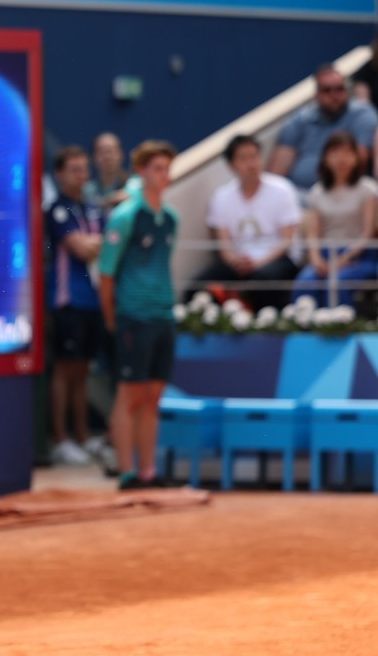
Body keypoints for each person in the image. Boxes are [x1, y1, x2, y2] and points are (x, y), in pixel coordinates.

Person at [98, 141, 180, 492]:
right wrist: (112, 317)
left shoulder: (171, 219)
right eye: (157, 168)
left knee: (153, 397)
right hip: (133, 315)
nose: (164, 175)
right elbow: (106, 272)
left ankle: (148, 471)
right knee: (128, 395)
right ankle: (126, 471)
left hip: (163, 315)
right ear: (142, 172)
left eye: (167, 168)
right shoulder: (125, 216)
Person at [189, 134, 301, 312]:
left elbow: (287, 241)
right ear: (231, 165)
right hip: (238, 261)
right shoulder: (221, 197)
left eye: (254, 156)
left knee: (263, 282)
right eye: (243, 158)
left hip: (276, 258)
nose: (251, 164)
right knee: (195, 289)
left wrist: (258, 263)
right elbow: (224, 245)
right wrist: (235, 260)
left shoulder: (282, 189)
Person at [44, 146, 104, 467]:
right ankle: (60, 439)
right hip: (67, 299)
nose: (81, 175)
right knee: (64, 371)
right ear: (60, 174)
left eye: (84, 169)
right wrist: (95, 243)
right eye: (74, 169)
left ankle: (83, 436)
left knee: (82, 371)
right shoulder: (57, 210)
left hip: (93, 300)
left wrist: (95, 244)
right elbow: (81, 249)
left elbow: (107, 245)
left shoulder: (91, 209)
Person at [294, 130, 378, 307]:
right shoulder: (317, 192)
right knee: (306, 281)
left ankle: (339, 327)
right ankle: (304, 328)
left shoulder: (368, 189)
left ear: (357, 157)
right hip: (326, 253)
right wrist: (316, 259)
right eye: (335, 153)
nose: (342, 159)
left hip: (360, 256)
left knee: (338, 281)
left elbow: (368, 232)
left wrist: (344, 259)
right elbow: (314, 233)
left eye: (348, 153)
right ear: (325, 158)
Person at [269, 65, 378, 188]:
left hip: (339, 195)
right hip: (297, 195)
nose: (334, 95)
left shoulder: (363, 115)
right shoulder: (300, 120)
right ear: (316, 95)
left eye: (339, 89)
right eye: (327, 90)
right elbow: (275, 176)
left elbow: (355, 165)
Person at [83, 131, 131, 210]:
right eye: (101, 152)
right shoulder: (86, 190)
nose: (107, 157)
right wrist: (108, 201)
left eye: (110, 151)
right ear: (93, 157)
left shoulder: (134, 184)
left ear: (121, 154)